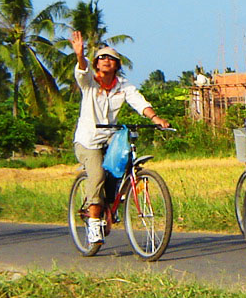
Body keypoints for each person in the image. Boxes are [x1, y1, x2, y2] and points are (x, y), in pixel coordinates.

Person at [69, 31, 170, 244]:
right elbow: (82, 71)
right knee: (96, 175)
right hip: (88, 140)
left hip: (110, 138)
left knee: (123, 165)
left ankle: (114, 200)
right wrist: (80, 55)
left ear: (117, 65)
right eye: (102, 58)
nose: (107, 61)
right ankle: (94, 222)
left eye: (111, 59)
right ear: (96, 63)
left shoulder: (123, 85)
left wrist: (155, 118)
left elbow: (139, 102)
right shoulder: (90, 82)